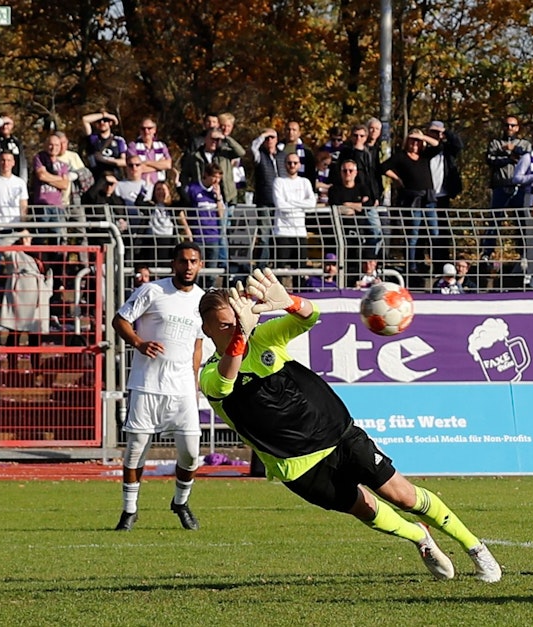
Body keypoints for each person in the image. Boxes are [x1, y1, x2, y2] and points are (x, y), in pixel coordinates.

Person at [197, 268, 502, 582]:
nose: (235, 326)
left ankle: (475, 547)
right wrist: (240, 337)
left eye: (237, 318)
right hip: (296, 465)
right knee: (366, 509)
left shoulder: (264, 338)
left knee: (404, 497)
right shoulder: (209, 374)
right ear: (207, 330)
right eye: (225, 324)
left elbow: (310, 316)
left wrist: (288, 301)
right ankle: (418, 537)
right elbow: (224, 384)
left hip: (337, 433)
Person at [110, 242, 209, 531]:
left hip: (182, 391)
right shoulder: (152, 291)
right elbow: (120, 320)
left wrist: (194, 381)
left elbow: (198, 345)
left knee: (191, 453)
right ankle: (129, 511)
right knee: (135, 450)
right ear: (173, 264)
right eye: (183, 261)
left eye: (193, 261)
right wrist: (139, 343)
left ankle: (181, 502)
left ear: (200, 265)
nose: (188, 266)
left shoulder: (203, 301)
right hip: (147, 386)